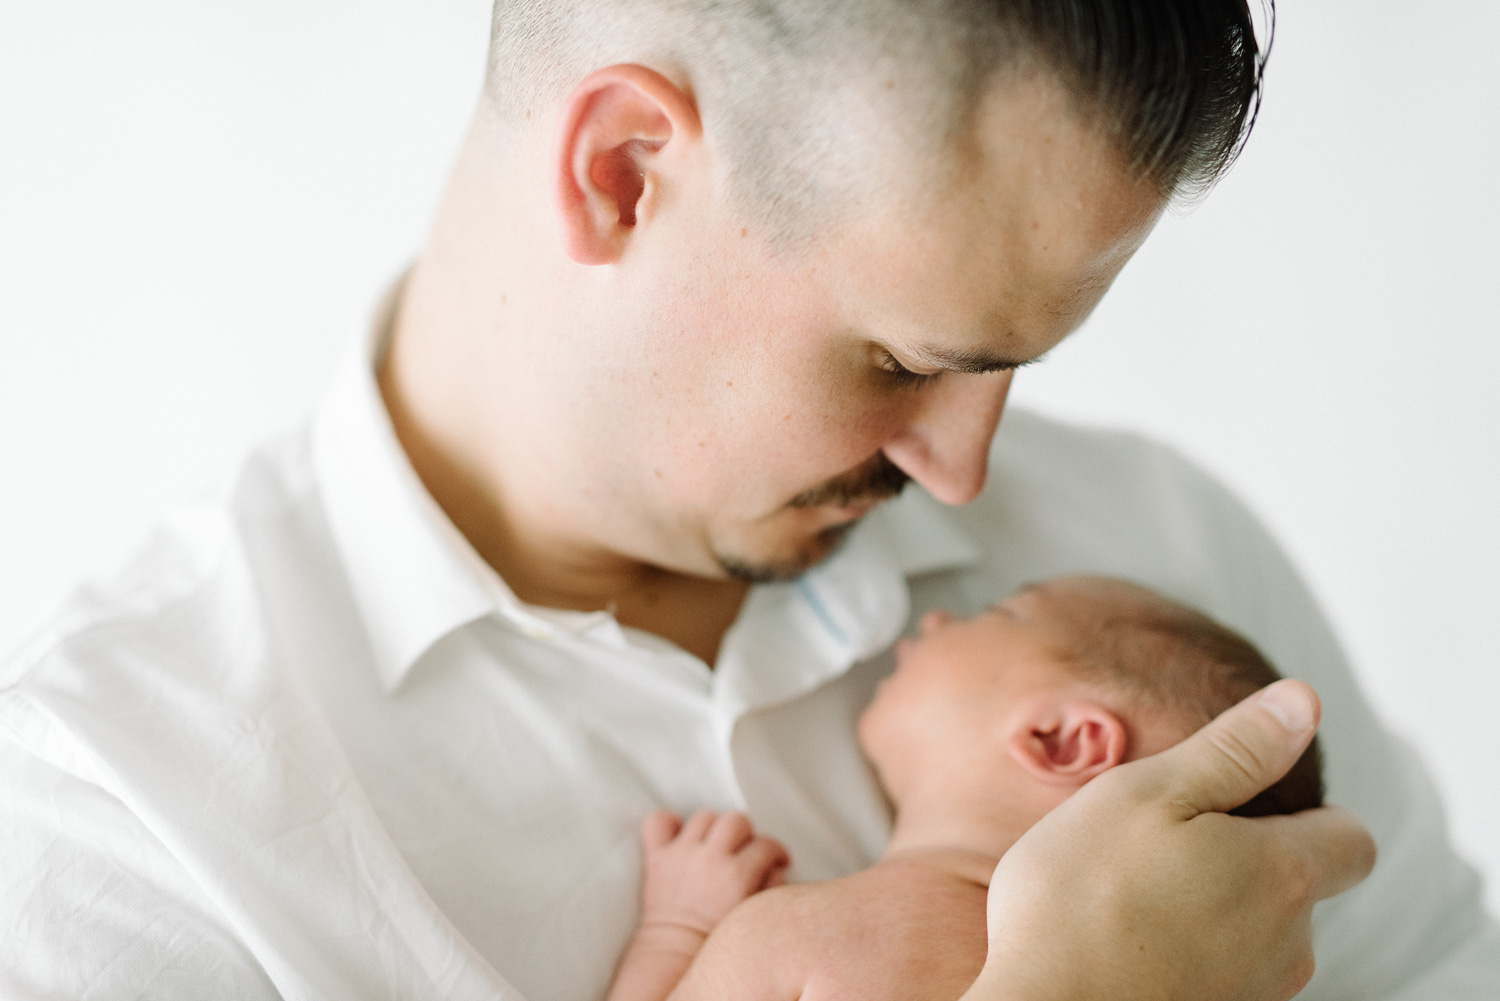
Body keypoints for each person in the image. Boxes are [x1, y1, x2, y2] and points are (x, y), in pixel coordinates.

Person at [1, 1, 1494, 998]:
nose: (965, 472)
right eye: (907, 358)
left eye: (1015, 369)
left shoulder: (1152, 554)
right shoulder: (129, 820)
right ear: (624, 170)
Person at [605, 575, 1325, 1001]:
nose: (941, 615)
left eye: (999, 612)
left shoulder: (822, 932)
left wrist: (680, 928)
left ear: (1062, 739)